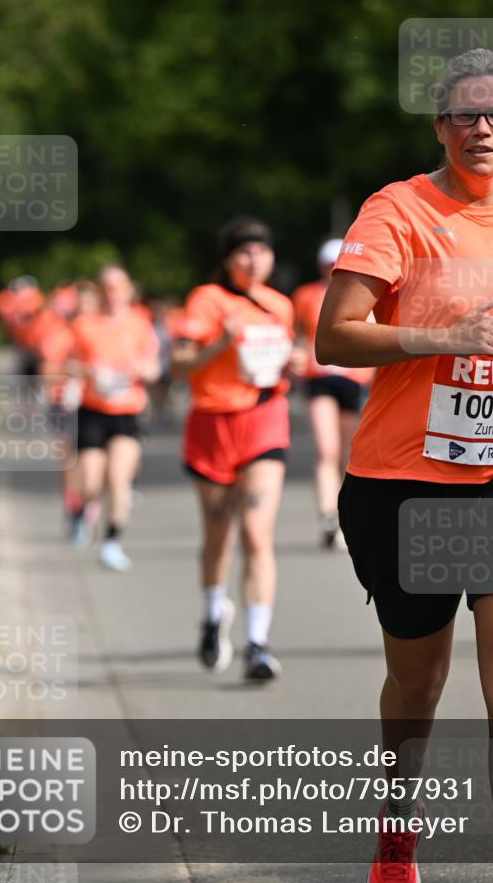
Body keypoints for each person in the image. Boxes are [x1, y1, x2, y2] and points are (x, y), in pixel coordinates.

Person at [316, 49, 493, 883]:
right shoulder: (397, 210)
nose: (481, 128)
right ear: (439, 127)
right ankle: (397, 836)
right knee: (417, 682)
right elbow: (333, 336)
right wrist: (435, 340)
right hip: (407, 481)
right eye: (464, 115)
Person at [171, 217, 299, 681]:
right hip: (212, 425)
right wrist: (221, 342)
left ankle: (258, 644)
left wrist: (295, 362)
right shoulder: (208, 301)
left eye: (261, 252)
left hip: (264, 422)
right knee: (218, 534)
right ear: (227, 260)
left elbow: (283, 359)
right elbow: (179, 364)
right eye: (243, 252)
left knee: (256, 533)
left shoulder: (280, 306)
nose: (253, 260)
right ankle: (212, 613)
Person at [66, 266, 161, 571]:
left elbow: (154, 368)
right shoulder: (83, 324)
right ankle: (81, 510)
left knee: (119, 480)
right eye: (107, 287)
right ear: (99, 291)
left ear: (128, 289)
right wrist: (91, 372)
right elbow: (68, 363)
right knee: (91, 481)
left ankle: (111, 542)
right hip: (93, 408)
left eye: (119, 287)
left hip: (127, 410)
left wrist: (139, 370)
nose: (113, 293)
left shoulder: (139, 323)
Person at [293, 239, 374, 549]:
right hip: (319, 377)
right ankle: (327, 516)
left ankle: (344, 515)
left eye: (336, 263)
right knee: (326, 450)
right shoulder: (305, 295)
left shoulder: (366, 291)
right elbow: (298, 334)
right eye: (328, 264)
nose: (332, 269)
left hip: (354, 379)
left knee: (346, 453)